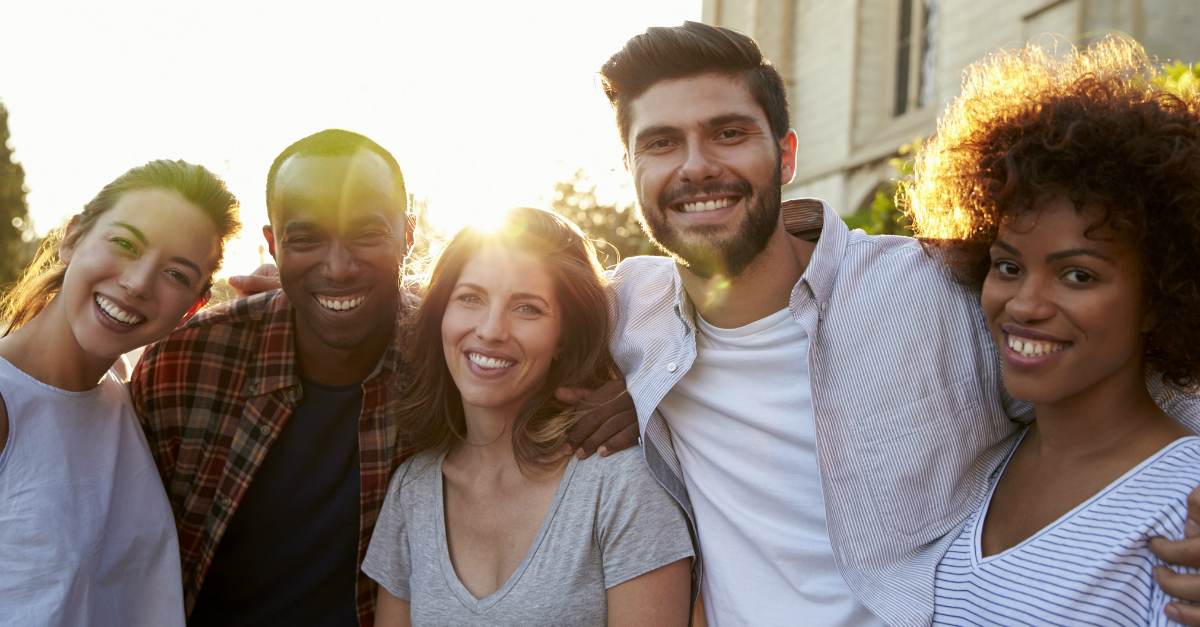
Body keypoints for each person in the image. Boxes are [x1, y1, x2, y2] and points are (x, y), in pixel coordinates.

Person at [595, 21, 1200, 627]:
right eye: (662, 142)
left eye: (729, 133)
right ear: (629, 168)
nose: (697, 167)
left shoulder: (937, 291)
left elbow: (1144, 383)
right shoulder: (630, 313)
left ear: (785, 156)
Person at [134, 130, 638, 626]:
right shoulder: (188, 364)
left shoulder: (459, 363)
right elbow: (122, 553)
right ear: (273, 242)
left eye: (367, 234)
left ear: (407, 234)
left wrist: (636, 398)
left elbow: (556, 359)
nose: (338, 267)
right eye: (305, 239)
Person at [895, 38, 1200, 625]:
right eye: (1008, 266)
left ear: (1161, 299)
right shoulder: (974, 465)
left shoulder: (1184, 507)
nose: (1025, 304)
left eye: (1078, 275)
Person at [362, 207, 693, 626]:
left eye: (528, 309)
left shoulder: (620, 484)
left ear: (564, 338)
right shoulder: (412, 490)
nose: (491, 329)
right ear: (441, 315)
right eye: (470, 298)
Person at [0, 159, 241, 626]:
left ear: (192, 307)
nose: (137, 284)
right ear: (72, 238)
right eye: (125, 243)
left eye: (176, 274)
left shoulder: (132, 387)